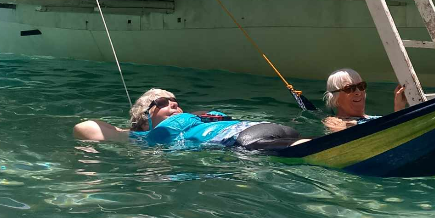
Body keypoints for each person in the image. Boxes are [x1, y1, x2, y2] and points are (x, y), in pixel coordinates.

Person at [73, 88, 307, 150]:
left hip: (252, 134)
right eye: (162, 103)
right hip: (251, 139)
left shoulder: (198, 121)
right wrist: (132, 129)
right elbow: (84, 128)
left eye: (175, 101)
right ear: (145, 119)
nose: (173, 104)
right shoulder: (142, 135)